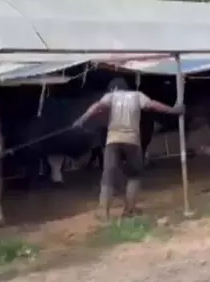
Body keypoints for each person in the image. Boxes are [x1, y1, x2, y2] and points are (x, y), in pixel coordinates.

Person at [74, 78, 184, 220]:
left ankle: (103, 212)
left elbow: (97, 106)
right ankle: (129, 210)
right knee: (135, 175)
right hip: (132, 141)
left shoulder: (110, 96)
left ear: (114, 89)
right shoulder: (138, 95)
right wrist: (174, 110)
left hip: (112, 140)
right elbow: (153, 105)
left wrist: (82, 119)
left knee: (108, 175)